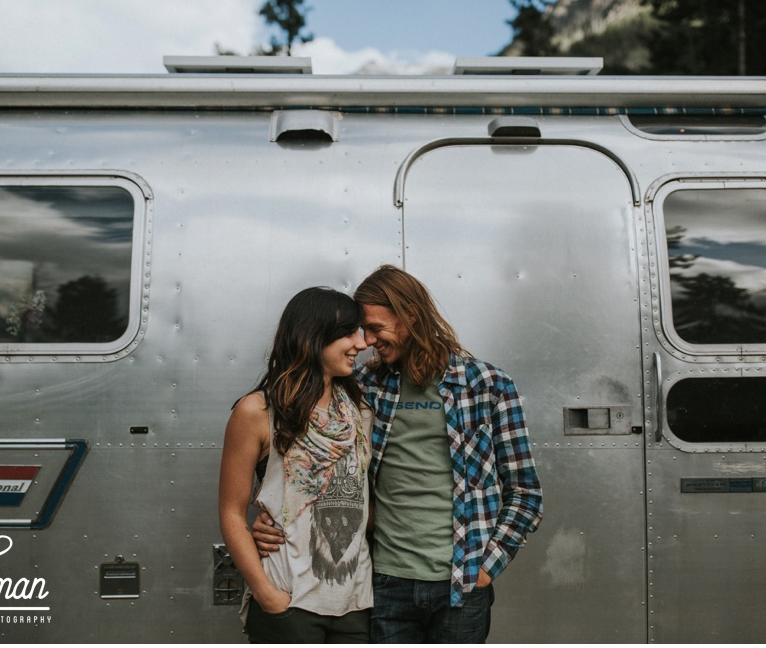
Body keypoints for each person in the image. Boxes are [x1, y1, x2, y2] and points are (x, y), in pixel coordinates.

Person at [254, 265, 543, 643]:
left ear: (410, 314)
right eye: (362, 331)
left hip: (460, 584)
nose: (367, 341)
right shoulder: (364, 388)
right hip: (385, 583)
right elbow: (309, 455)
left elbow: (525, 492)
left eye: (375, 327)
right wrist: (273, 515)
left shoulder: (487, 386)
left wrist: (487, 566)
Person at [219, 287, 375, 643]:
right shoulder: (258, 412)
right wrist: (266, 593)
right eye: (349, 333)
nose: (361, 343)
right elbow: (230, 512)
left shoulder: (360, 411)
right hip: (289, 602)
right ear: (313, 336)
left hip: (356, 603)